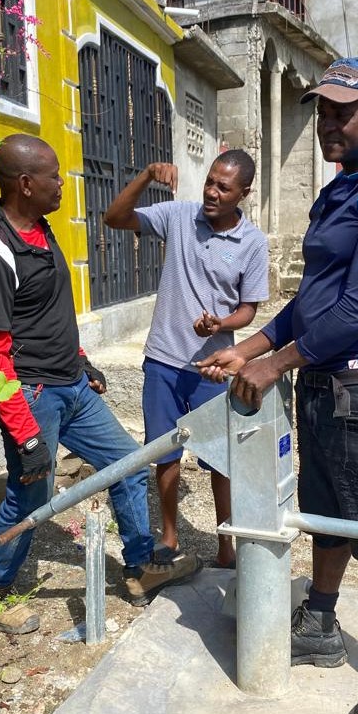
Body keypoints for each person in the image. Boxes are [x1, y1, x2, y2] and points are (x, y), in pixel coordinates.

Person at [197, 57, 358, 714]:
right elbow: (313, 299)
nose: (328, 121)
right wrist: (251, 347)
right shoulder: (335, 192)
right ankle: (323, 623)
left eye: (343, 110)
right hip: (322, 384)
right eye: (322, 110)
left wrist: (277, 364)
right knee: (323, 506)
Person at [0, 134, 202, 633]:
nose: (62, 184)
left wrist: (82, 360)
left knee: (129, 464)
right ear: (25, 184)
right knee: (32, 491)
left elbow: (48, 314)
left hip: (71, 385)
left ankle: (139, 568)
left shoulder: (42, 231)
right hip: (32, 395)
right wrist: (26, 435)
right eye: (52, 175)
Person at [103, 151, 269, 569]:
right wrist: (145, 173)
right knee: (164, 452)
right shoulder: (179, 216)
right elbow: (115, 218)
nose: (211, 192)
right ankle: (171, 535)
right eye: (210, 181)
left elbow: (249, 310)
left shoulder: (252, 244)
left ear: (243, 193)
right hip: (163, 358)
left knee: (218, 457)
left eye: (223, 187)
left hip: (213, 367)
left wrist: (221, 324)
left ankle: (226, 543)